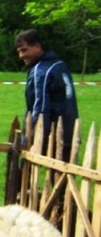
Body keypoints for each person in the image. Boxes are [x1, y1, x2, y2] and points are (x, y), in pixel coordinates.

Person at [15, 29, 79, 161]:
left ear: (37, 47)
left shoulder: (41, 71)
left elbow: (40, 106)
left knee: (27, 172)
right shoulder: (60, 65)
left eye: (24, 50)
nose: (21, 56)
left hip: (51, 134)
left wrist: (32, 136)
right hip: (68, 131)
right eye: (19, 51)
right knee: (63, 175)